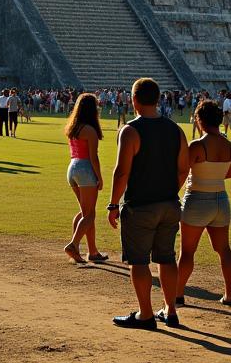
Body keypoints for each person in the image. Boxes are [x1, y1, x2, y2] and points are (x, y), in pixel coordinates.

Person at [106, 77, 189, 330]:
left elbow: (122, 172)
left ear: (133, 100)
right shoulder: (176, 130)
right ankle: (170, 310)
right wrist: (167, 191)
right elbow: (183, 169)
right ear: (158, 99)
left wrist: (112, 204)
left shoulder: (130, 130)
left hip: (140, 205)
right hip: (169, 204)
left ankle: (145, 314)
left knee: (139, 261)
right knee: (166, 258)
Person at [175, 99, 231, 310]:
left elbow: (183, 171)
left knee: (187, 252)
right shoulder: (228, 145)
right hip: (221, 199)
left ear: (199, 120)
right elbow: (230, 173)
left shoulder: (198, 145)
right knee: (224, 249)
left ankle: (178, 294)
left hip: (197, 199)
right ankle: (229, 294)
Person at [63, 93, 108, 265]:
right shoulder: (89, 130)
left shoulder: (72, 127)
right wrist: (100, 177)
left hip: (72, 168)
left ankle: (93, 252)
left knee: (85, 213)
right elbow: (93, 157)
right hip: (85, 169)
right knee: (89, 215)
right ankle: (73, 245)